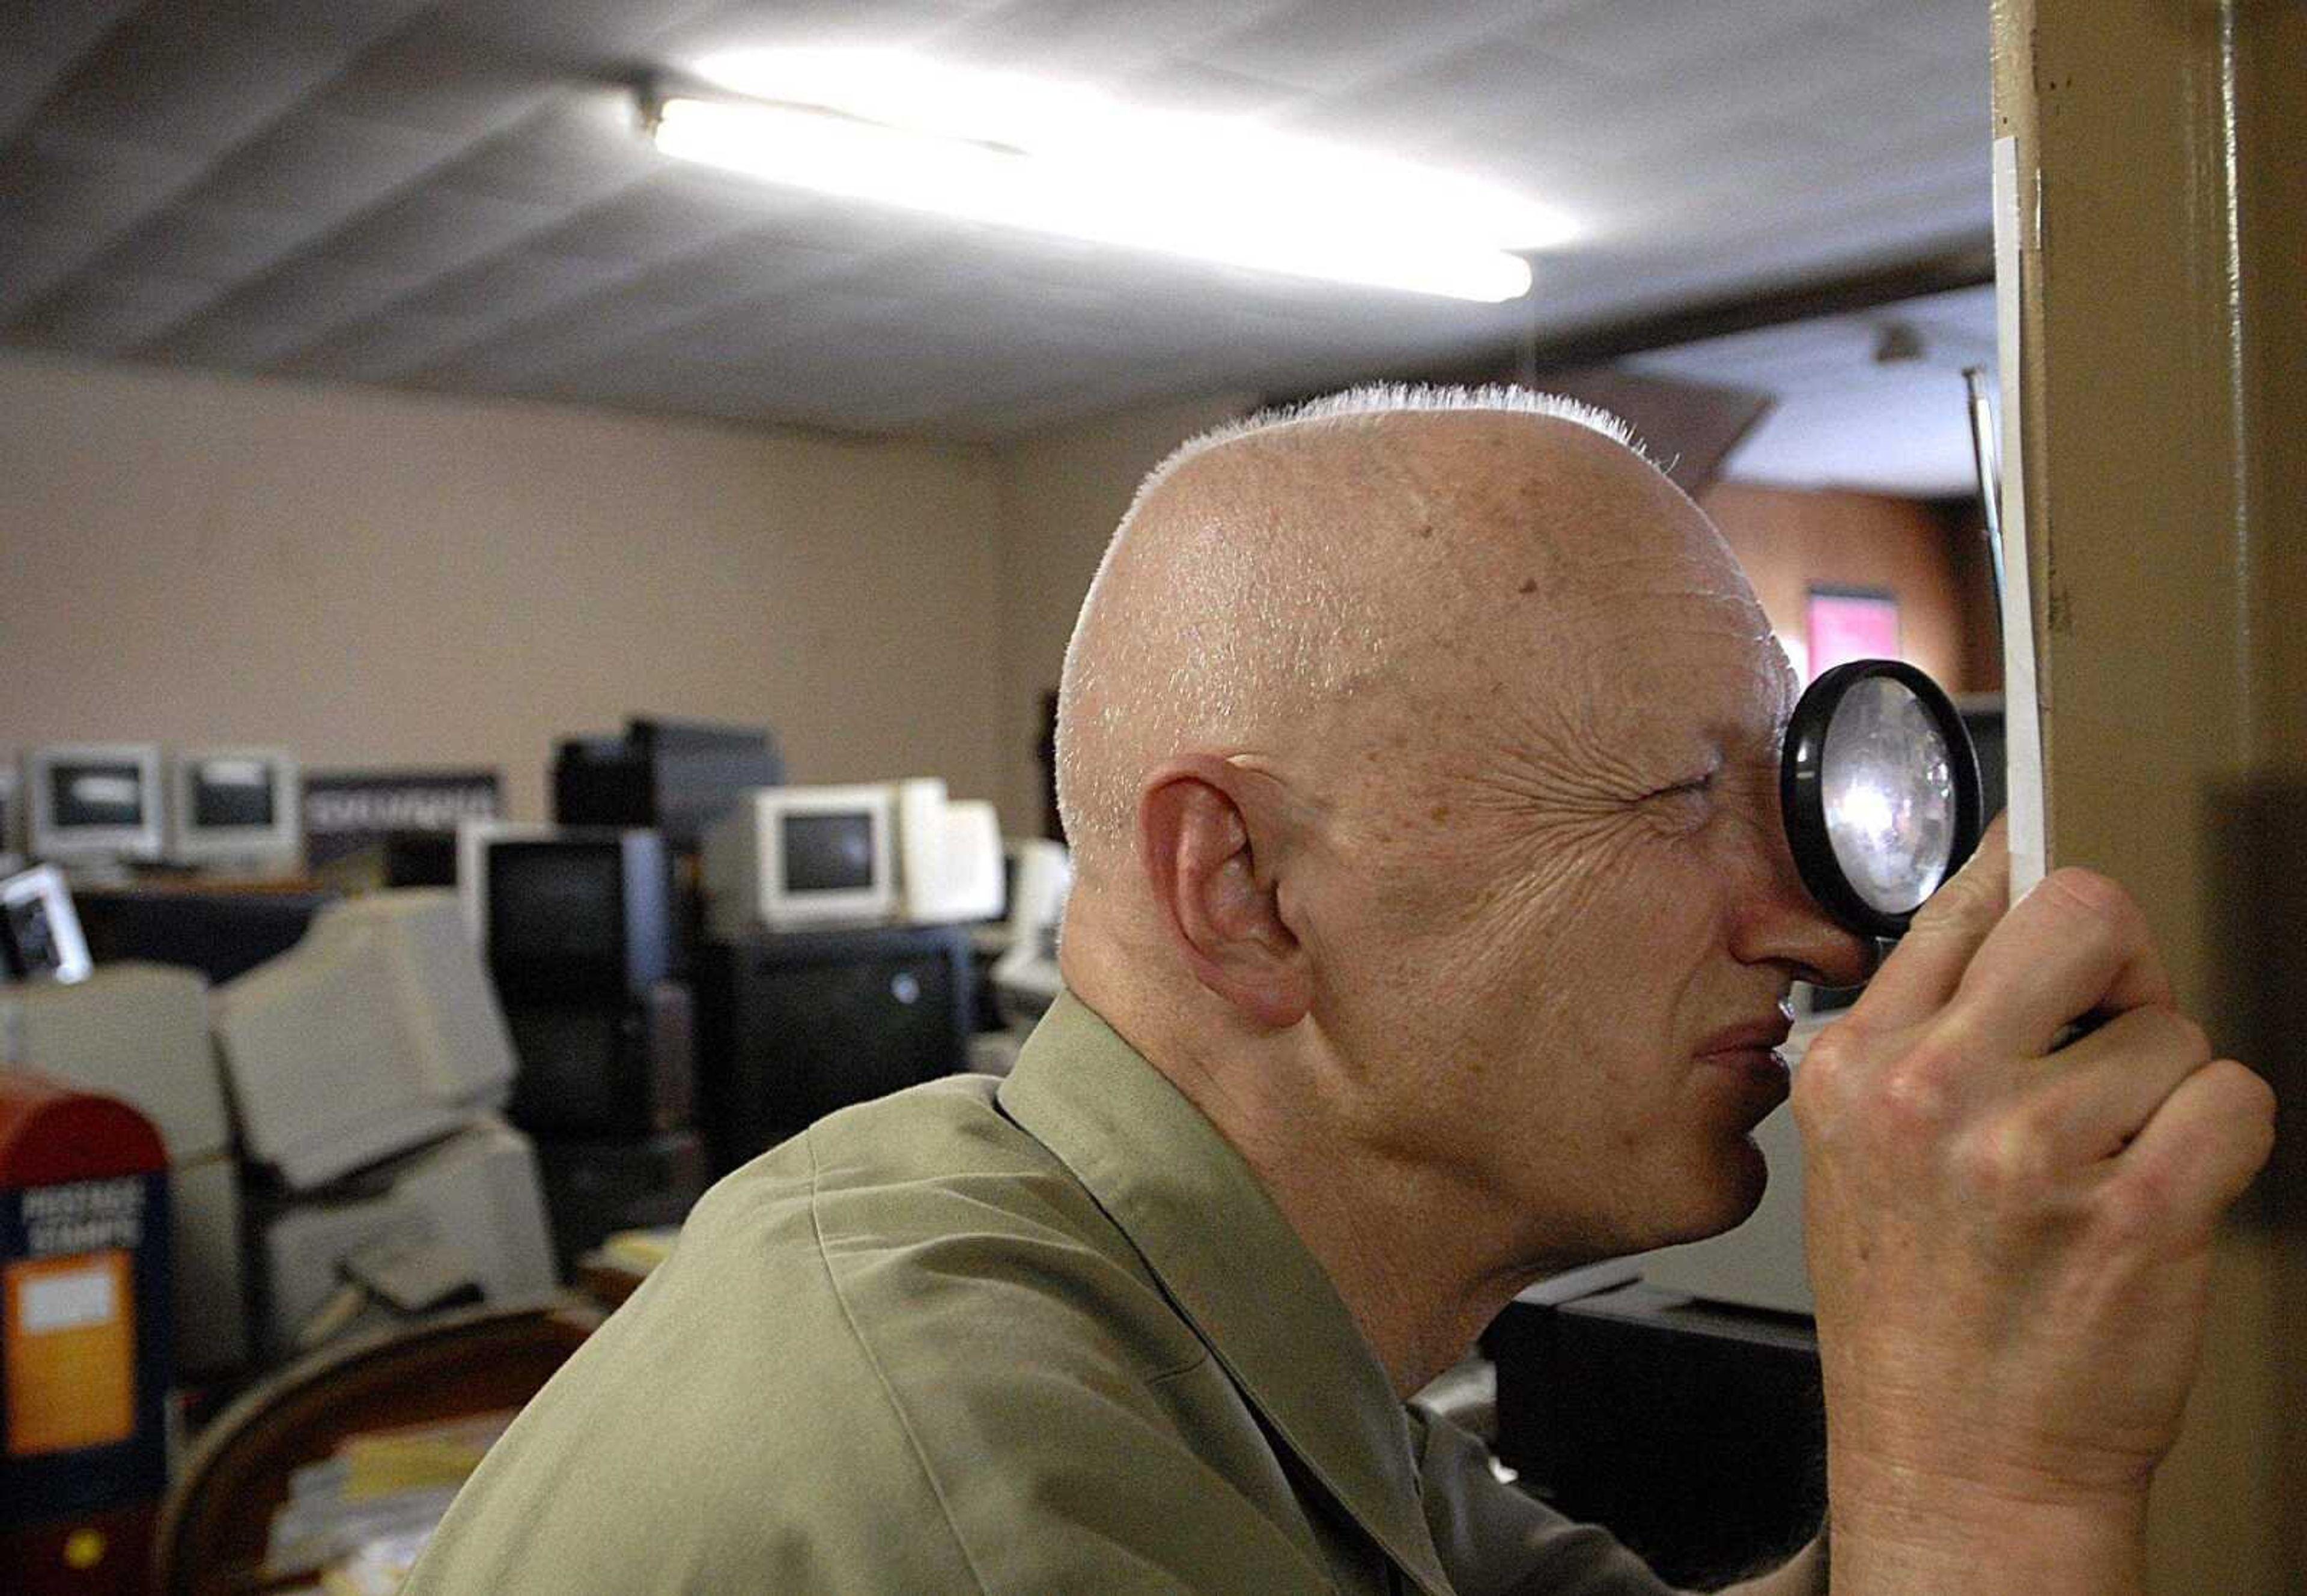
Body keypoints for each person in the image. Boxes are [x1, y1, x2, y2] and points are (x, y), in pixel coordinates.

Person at [403, 387, 2273, 1594]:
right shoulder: (978, 1484)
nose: (1807, 921)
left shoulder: (1218, 1316)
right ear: (1249, 892)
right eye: (1685, 795)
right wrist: (1985, 1510)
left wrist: (1952, 1381)